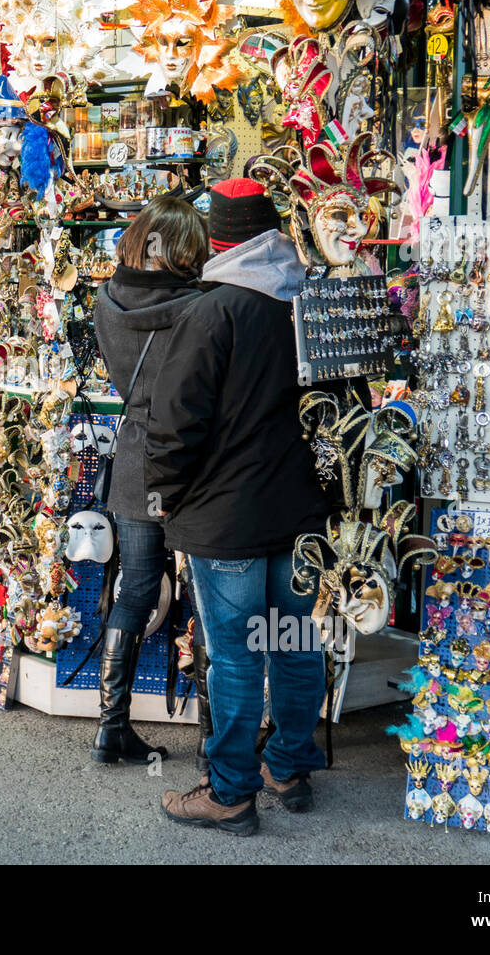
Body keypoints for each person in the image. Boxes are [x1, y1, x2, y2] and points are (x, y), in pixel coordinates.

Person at [144, 179, 332, 836]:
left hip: (228, 520)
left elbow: (175, 424)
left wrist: (162, 493)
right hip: (300, 511)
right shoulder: (309, 301)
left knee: (235, 653)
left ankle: (229, 790)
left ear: (219, 241)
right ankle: (288, 766)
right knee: (294, 640)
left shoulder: (211, 312)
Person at [90, 194, 208, 765]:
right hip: (192, 463)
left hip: (136, 460)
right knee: (208, 593)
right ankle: (217, 740)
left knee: (134, 592)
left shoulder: (106, 301)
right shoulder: (199, 307)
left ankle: (110, 728)